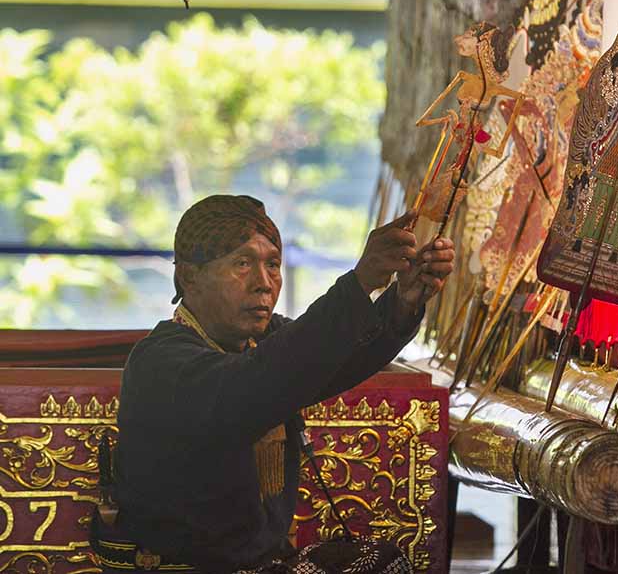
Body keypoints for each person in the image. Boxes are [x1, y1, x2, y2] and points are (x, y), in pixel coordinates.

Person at [92, 195, 454, 574]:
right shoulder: (161, 361)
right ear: (189, 277)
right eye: (242, 263)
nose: (264, 284)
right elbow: (260, 380)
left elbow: (336, 356)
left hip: (264, 566)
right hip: (179, 568)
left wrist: (403, 300)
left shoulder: (264, 342)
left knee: (387, 561)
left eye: (273, 265)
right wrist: (359, 283)